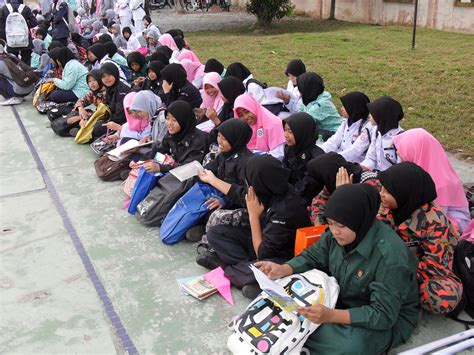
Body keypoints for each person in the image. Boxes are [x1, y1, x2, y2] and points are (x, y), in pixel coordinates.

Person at [256, 184, 419, 354]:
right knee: (291, 308)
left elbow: (383, 316)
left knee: (350, 346)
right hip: (343, 299)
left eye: (340, 226)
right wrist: (283, 269)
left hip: (387, 318)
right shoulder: (337, 234)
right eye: (331, 223)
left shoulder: (391, 257)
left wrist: (331, 316)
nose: (334, 231)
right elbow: (312, 256)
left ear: (358, 220)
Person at [200, 155, 312, 299]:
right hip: (260, 240)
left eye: (248, 179)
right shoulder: (267, 187)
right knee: (216, 233)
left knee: (258, 270)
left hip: (280, 256)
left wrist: (253, 216)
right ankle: (243, 271)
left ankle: (231, 269)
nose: (246, 183)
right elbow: (239, 193)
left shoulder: (286, 209)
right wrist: (212, 180)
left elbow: (263, 254)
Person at [378, 162, 463, 314]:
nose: (381, 194)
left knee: (442, 297)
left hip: (420, 272)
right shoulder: (388, 207)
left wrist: (397, 278)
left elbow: (434, 266)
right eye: (382, 188)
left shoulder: (435, 221)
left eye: (388, 191)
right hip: (392, 264)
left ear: (404, 193)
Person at [186, 119, 254, 242]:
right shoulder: (224, 155)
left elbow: (244, 195)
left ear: (235, 139)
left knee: (216, 214)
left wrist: (224, 201)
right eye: (218, 136)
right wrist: (198, 174)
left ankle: (206, 231)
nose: (219, 141)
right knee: (195, 190)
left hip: (237, 205)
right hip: (219, 196)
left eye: (224, 138)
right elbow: (209, 169)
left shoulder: (247, 162)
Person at [393, 128, 471, 233]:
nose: (398, 152)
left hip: (451, 226)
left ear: (416, 151)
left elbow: (434, 218)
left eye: (404, 150)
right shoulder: (423, 169)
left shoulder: (439, 184)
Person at [307, 152, 377, 226]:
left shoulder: (370, 184)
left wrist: (343, 194)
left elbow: (367, 218)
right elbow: (318, 203)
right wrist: (321, 224)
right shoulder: (334, 179)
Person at [143, 100, 209, 174]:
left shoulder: (198, 141)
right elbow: (159, 149)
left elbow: (188, 170)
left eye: (174, 120)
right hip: (173, 172)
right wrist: (141, 162)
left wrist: (160, 168)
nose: (169, 123)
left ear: (184, 120)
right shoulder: (172, 134)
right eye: (167, 118)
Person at [282, 112, 324, 206]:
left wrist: (287, 196)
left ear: (302, 132)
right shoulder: (289, 149)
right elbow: (284, 172)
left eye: (290, 132)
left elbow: (306, 186)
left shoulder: (316, 158)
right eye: (285, 130)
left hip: (308, 198)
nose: (285, 135)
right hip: (291, 192)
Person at [321, 91, 373, 163]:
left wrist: (332, 159)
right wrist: (320, 151)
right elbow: (334, 140)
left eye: (345, 107)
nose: (341, 109)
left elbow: (355, 151)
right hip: (338, 156)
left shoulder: (367, 127)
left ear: (354, 108)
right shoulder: (346, 121)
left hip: (354, 162)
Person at [233, 92, 286, 160]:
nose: (245, 117)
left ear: (254, 107)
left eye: (247, 111)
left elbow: (278, 155)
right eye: (240, 115)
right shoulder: (244, 127)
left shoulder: (274, 124)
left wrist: (255, 158)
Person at [360, 96, 404, 171]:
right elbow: (371, 158)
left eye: (373, 113)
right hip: (376, 174)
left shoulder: (400, 138)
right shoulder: (376, 131)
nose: (369, 116)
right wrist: (361, 168)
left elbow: (399, 169)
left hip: (391, 179)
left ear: (382, 116)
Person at [91, 62, 131, 140]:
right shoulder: (108, 89)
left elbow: (120, 116)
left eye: (109, 75)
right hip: (112, 119)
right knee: (90, 123)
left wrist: (105, 121)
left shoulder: (122, 90)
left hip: (123, 123)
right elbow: (105, 107)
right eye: (103, 76)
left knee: (97, 128)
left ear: (115, 74)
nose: (106, 79)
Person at [297, 72, 341, 138]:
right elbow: (299, 112)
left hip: (333, 132)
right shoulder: (310, 97)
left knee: (305, 133)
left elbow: (304, 122)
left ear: (307, 89)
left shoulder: (321, 104)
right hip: (320, 128)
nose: (299, 92)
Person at [67, 69, 106, 137]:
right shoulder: (92, 92)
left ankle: (83, 132)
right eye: (89, 81)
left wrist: (81, 117)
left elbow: (101, 113)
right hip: (91, 113)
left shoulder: (104, 93)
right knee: (72, 114)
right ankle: (81, 129)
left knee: (98, 127)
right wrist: (80, 108)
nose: (92, 83)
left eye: (94, 80)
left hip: (101, 118)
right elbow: (81, 100)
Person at [0, 0, 38, 65]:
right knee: (26, 61)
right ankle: (27, 74)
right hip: (25, 40)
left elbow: (1, 25)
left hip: (11, 40)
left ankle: (15, 74)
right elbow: (34, 22)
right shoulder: (25, 8)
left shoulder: (4, 8)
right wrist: (26, 26)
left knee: (12, 61)